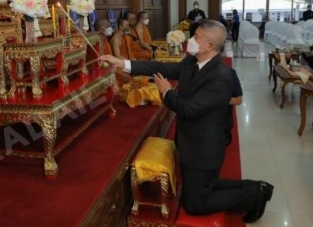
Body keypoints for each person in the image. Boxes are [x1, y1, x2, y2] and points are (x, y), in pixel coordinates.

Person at [101, 20, 273, 223]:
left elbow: (188, 109)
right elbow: (160, 66)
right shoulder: (192, 62)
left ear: (208, 46)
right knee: (205, 185)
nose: (190, 41)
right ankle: (258, 188)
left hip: (204, 147)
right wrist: (123, 63)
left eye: (195, 38)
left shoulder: (221, 77)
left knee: (194, 204)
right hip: (191, 141)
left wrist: (166, 92)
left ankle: (254, 195)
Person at [109, 16, 134, 85]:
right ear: (120, 27)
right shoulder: (115, 39)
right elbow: (118, 56)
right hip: (118, 64)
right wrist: (131, 63)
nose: (129, 27)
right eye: (126, 25)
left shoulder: (124, 37)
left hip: (125, 61)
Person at [225, 68, 243, 145]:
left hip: (221, 121)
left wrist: (216, 100)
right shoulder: (194, 71)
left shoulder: (229, 73)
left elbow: (238, 100)